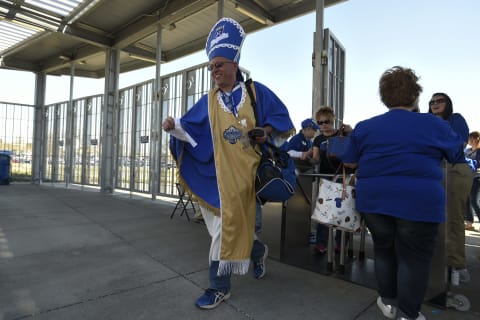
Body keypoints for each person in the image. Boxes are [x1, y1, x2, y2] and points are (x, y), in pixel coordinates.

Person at [162, 17, 295, 310]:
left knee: (225, 231)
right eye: (211, 67)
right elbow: (189, 128)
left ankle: (218, 287)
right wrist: (173, 126)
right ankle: (258, 252)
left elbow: (283, 124)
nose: (214, 71)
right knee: (230, 228)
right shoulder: (208, 101)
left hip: (246, 177)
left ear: (235, 65)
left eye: (219, 64)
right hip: (216, 176)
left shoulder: (254, 92)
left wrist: (265, 133)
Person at [343, 66, 465, 320]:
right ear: (415, 96)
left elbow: (350, 162)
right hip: (419, 203)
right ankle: (408, 314)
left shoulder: (365, 127)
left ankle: (387, 301)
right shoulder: (433, 124)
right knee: (414, 259)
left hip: (373, 201)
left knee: (384, 249)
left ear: (384, 96)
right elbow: (456, 154)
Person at [428, 92, 473, 284]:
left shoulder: (456, 119)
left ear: (448, 104)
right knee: (432, 218)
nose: (436, 104)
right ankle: (436, 261)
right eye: (432, 101)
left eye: (440, 100)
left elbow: (457, 144)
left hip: (454, 168)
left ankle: (456, 263)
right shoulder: (425, 122)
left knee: (453, 217)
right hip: (433, 170)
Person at [311, 106, 353, 253]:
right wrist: (303, 157)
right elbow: (315, 159)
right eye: (320, 122)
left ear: (332, 120)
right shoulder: (318, 139)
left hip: (343, 177)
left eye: (326, 121)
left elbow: (357, 146)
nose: (323, 125)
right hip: (325, 178)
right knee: (323, 212)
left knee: (343, 211)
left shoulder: (344, 135)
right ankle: (321, 243)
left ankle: (340, 243)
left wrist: (351, 131)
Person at [465, 131, 480, 231]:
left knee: (474, 201)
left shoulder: (479, 151)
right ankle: (469, 223)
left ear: (475, 139)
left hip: (477, 178)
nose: (468, 140)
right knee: (466, 200)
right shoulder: (468, 150)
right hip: (467, 178)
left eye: (469, 138)